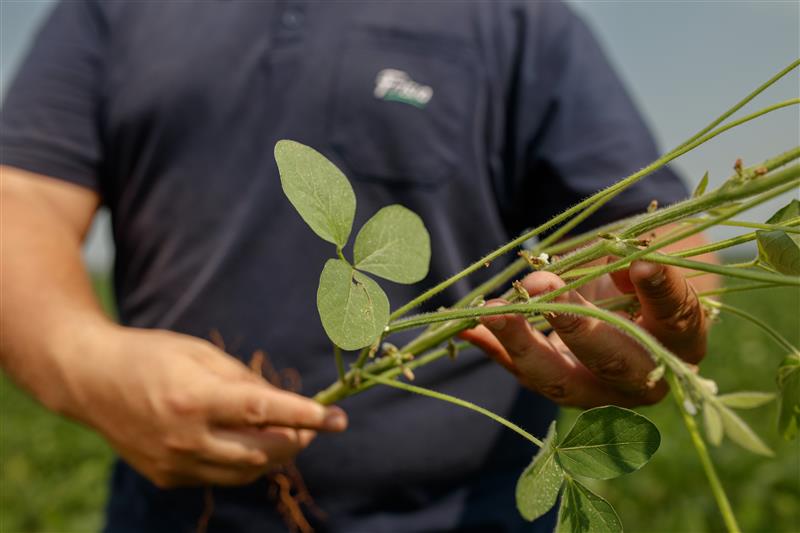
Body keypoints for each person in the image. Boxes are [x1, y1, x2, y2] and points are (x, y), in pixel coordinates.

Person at [0, 1, 712, 531]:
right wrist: (87, 360)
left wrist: (640, 298)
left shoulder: (516, 14)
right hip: (175, 513)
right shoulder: (106, 11)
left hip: (468, 514)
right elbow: (19, 199)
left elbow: (641, 220)